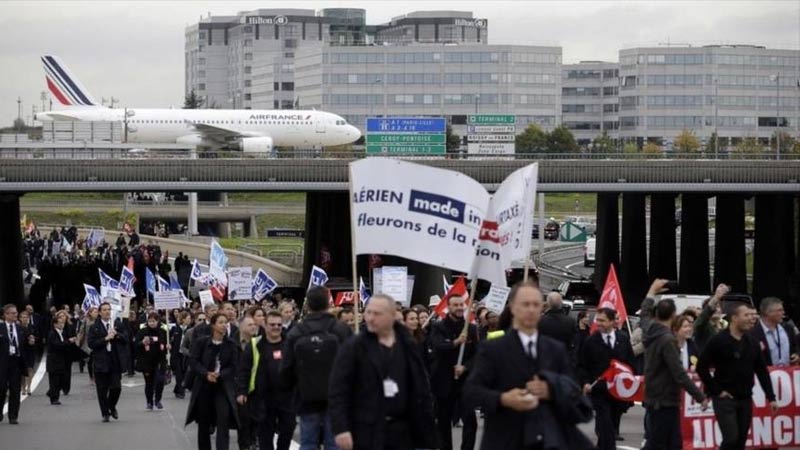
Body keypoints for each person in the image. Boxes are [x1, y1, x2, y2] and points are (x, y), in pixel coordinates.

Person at [463, 281, 593, 449]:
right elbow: (470, 392)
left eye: (536, 305)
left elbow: (574, 393)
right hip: (505, 439)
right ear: (512, 307)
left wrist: (552, 389)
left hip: (546, 440)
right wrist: (503, 399)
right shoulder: (493, 349)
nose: (531, 310)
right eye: (525, 304)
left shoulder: (555, 350)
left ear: (542, 309)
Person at [329, 294, 439, 450]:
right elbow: (338, 389)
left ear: (392, 315)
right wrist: (341, 428)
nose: (371, 318)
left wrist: (427, 426)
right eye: (368, 312)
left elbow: (421, 386)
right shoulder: (354, 347)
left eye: (377, 314)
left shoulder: (407, 345)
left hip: (402, 430)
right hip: (366, 430)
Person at [697, 302, 778, 450]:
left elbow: (762, 371)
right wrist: (716, 390)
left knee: (740, 441)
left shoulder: (752, 342)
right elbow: (701, 367)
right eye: (746, 315)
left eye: (751, 315)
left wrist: (771, 397)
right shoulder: (718, 340)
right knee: (731, 439)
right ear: (734, 318)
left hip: (745, 398)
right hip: (725, 399)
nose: (750, 318)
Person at [281, 286, 352, 450]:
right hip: (336, 397)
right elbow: (352, 364)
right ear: (328, 303)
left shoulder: (297, 331)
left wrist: (291, 389)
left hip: (306, 396)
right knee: (333, 443)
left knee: (308, 443)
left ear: (307, 305)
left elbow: (286, 367)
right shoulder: (341, 329)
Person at [642, 298, 708, 450]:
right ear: (673, 316)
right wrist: (700, 396)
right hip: (665, 400)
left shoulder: (652, 332)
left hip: (658, 398)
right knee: (658, 443)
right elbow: (679, 373)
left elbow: (644, 315)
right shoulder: (668, 341)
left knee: (673, 443)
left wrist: (651, 293)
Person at [237, 310, 297, 450]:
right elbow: (244, 369)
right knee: (265, 434)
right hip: (263, 397)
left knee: (288, 429)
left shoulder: (290, 343)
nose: (276, 327)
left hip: (287, 396)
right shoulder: (255, 344)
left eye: (279, 324)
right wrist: (242, 391)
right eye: (272, 324)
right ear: (265, 325)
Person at [578, 307, 635, 450]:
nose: (599, 323)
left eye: (602, 320)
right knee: (606, 424)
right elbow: (582, 365)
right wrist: (585, 382)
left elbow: (630, 362)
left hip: (619, 391)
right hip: (599, 390)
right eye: (598, 320)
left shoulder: (623, 339)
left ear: (612, 321)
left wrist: (633, 381)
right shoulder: (591, 341)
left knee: (610, 426)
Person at [429, 293, 480, 450]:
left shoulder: (471, 328)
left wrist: (465, 367)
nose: (459, 308)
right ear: (448, 307)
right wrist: (456, 342)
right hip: (444, 380)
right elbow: (438, 346)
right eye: (455, 305)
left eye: (461, 305)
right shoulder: (438, 326)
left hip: (464, 382)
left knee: (470, 421)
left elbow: (478, 354)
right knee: (443, 421)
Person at [185, 313, 240, 450]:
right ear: (213, 325)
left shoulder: (231, 344)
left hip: (222, 387)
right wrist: (205, 374)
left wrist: (220, 374)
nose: (224, 325)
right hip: (204, 386)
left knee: (223, 420)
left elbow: (234, 366)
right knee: (204, 422)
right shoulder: (202, 342)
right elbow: (193, 361)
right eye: (221, 322)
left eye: (226, 322)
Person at [88, 302, 130, 422]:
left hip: (114, 360)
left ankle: (111, 406)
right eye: (105, 310)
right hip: (101, 361)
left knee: (116, 387)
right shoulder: (94, 327)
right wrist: (105, 339)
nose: (107, 312)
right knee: (102, 390)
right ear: (100, 312)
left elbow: (126, 339)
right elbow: (91, 344)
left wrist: (116, 335)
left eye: (109, 309)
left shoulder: (117, 324)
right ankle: (105, 413)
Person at [750, 297, 798, 367]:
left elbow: (795, 347)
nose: (783, 313)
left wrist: (797, 355)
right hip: (765, 375)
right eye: (780, 310)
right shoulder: (752, 333)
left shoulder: (788, 328)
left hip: (788, 375)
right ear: (767, 312)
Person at [136, 312, 169, 410]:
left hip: (160, 360)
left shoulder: (163, 331)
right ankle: (149, 402)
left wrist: (168, 347)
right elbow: (136, 345)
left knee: (160, 380)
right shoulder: (143, 331)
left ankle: (158, 400)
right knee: (149, 383)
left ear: (158, 321)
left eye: (153, 321)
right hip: (147, 361)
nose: (151, 323)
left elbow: (166, 343)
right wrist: (142, 342)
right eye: (150, 321)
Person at [47, 312, 75, 405]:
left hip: (61, 360)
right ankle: (54, 398)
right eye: (60, 323)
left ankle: (52, 393)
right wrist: (68, 341)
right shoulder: (52, 333)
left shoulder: (62, 333)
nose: (62, 325)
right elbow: (57, 345)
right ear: (55, 324)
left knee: (62, 379)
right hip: (54, 361)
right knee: (54, 380)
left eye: (63, 323)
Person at [694, 284, 730, 350]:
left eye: (718, 306)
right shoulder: (703, 327)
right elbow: (704, 316)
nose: (716, 309)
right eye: (714, 307)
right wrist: (716, 297)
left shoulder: (726, 326)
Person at [171, 311, 192, 399]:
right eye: (188, 318)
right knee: (178, 373)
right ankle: (181, 391)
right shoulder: (175, 329)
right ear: (183, 319)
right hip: (177, 354)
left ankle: (177, 388)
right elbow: (170, 340)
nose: (190, 320)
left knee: (184, 373)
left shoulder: (190, 330)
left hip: (186, 355)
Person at [18, 309, 37, 395]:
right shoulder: (18, 328)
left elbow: (37, 337)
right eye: (23, 317)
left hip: (31, 351)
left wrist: (33, 339)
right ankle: (23, 387)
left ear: (28, 318)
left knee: (30, 369)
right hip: (22, 350)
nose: (24, 319)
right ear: (20, 318)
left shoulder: (32, 327)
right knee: (22, 370)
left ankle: (29, 387)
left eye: (26, 317)